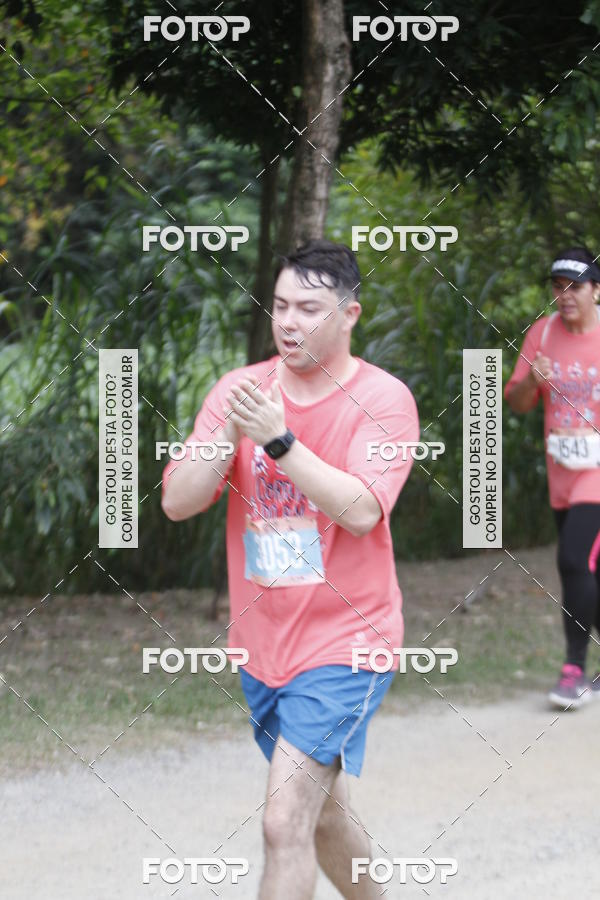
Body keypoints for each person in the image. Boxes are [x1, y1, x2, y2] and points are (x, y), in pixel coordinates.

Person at [161, 239, 419, 898]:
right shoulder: (238, 392)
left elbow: (362, 511)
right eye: (280, 306)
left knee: (282, 822)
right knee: (322, 817)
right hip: (264, 646)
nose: (289, 322)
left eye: (308, 307)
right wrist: (230, 434)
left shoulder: (384, 401)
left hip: (348, 644)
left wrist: (279, 440)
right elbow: (177, 502)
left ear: (349, 315)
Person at [505, 246, 600, 710]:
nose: (565, 295)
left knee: (571, 559)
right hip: (562, 472)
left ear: (596, 291)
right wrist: (531, 382)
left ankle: (573, 669)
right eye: (558, 286)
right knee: (584, 569)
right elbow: (518, 403)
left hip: (598, 475)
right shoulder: (541, 336)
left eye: (575, 287)